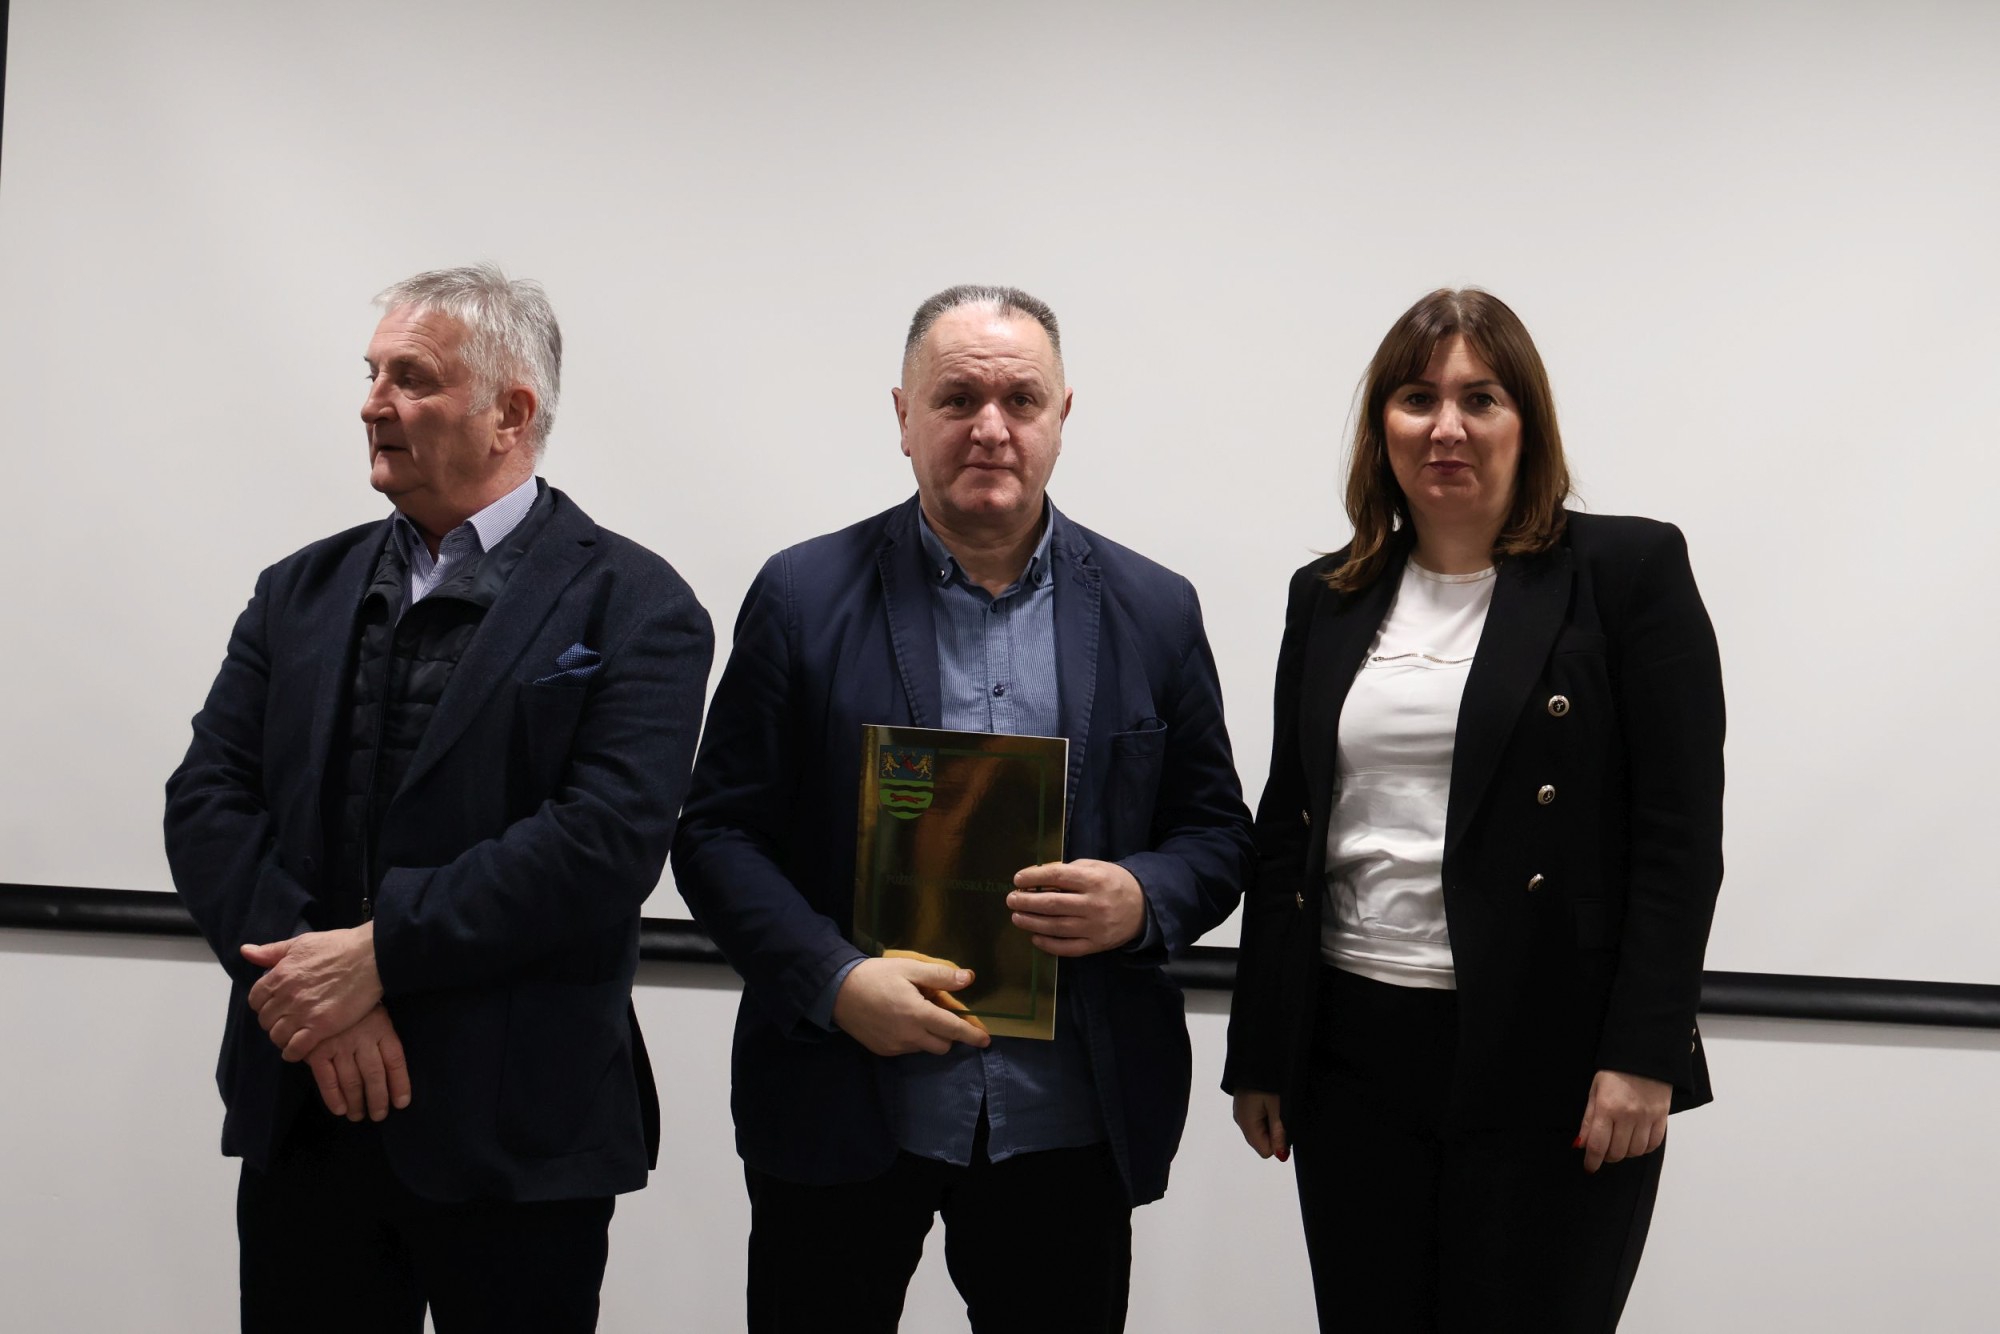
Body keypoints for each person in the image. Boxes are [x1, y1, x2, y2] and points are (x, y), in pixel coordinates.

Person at [671, 284, 1253, 1333]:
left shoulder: (1154, 607)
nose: (990, 426)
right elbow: (716, 835)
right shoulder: (801, 595)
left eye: (1020, 399)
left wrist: (1141, 896)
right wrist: (834, 980)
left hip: (1067, 1117)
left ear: (1061, 417)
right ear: (904, 416)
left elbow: (1215, 832)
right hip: (845, 1098)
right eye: (957, 398)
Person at [164, 264, 713, 1333]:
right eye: (372, 374)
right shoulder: (298, 589)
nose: (373, 402)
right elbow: (208, 798)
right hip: (307, 1107)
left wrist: (381, 955)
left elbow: (603, 842)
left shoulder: (638, 603)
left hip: (515, 1132)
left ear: (511, 411)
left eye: (410, 378)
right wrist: (314, 988)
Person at [1224, 288, 1725, 1331]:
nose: (1445, 426)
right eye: (1416, 398)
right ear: (1382, 427)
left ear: (1524, 422)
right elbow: (1290, 828)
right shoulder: (1327, 594)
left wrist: (1642, 1054)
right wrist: (1262, 1049)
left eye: (1479, 398)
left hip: (1553, 1046)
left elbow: (1678, 842)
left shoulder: (1625, 572)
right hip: (1351, 1043)